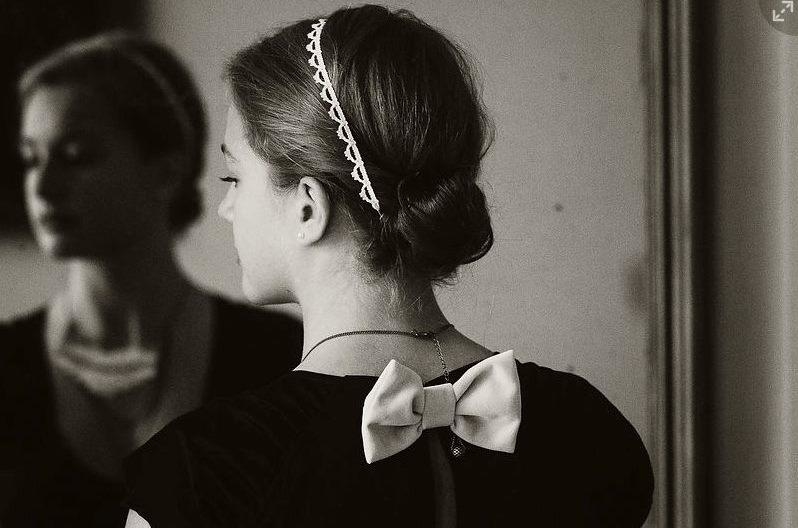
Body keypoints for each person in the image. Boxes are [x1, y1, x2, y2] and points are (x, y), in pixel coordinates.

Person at [124, 6, 654, 527]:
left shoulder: (204, 472)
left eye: (234, 178)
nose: (226, 207)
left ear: (308, 207)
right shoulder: (588, 433)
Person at [0, 32, 303, 527]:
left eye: (75, 154)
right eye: (32, 158)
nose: (43, 185)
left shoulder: (277, 359)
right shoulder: (7, 365)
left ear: (166, 171)